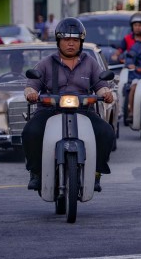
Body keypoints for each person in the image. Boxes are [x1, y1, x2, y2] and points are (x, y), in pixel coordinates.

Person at [21, 18, 116, 193]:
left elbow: (101, 86)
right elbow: (31, 85)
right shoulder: (46, 63)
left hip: (83, 110)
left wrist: (106, 94)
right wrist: (31, 94)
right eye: (66, 40)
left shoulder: (90, 62)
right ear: (59, 41)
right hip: (50, 110)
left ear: (81, 42)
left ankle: (96, 172)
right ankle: (35, 172)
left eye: (75, 40)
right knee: (30, 132)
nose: (71, 44)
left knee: (106, 132)